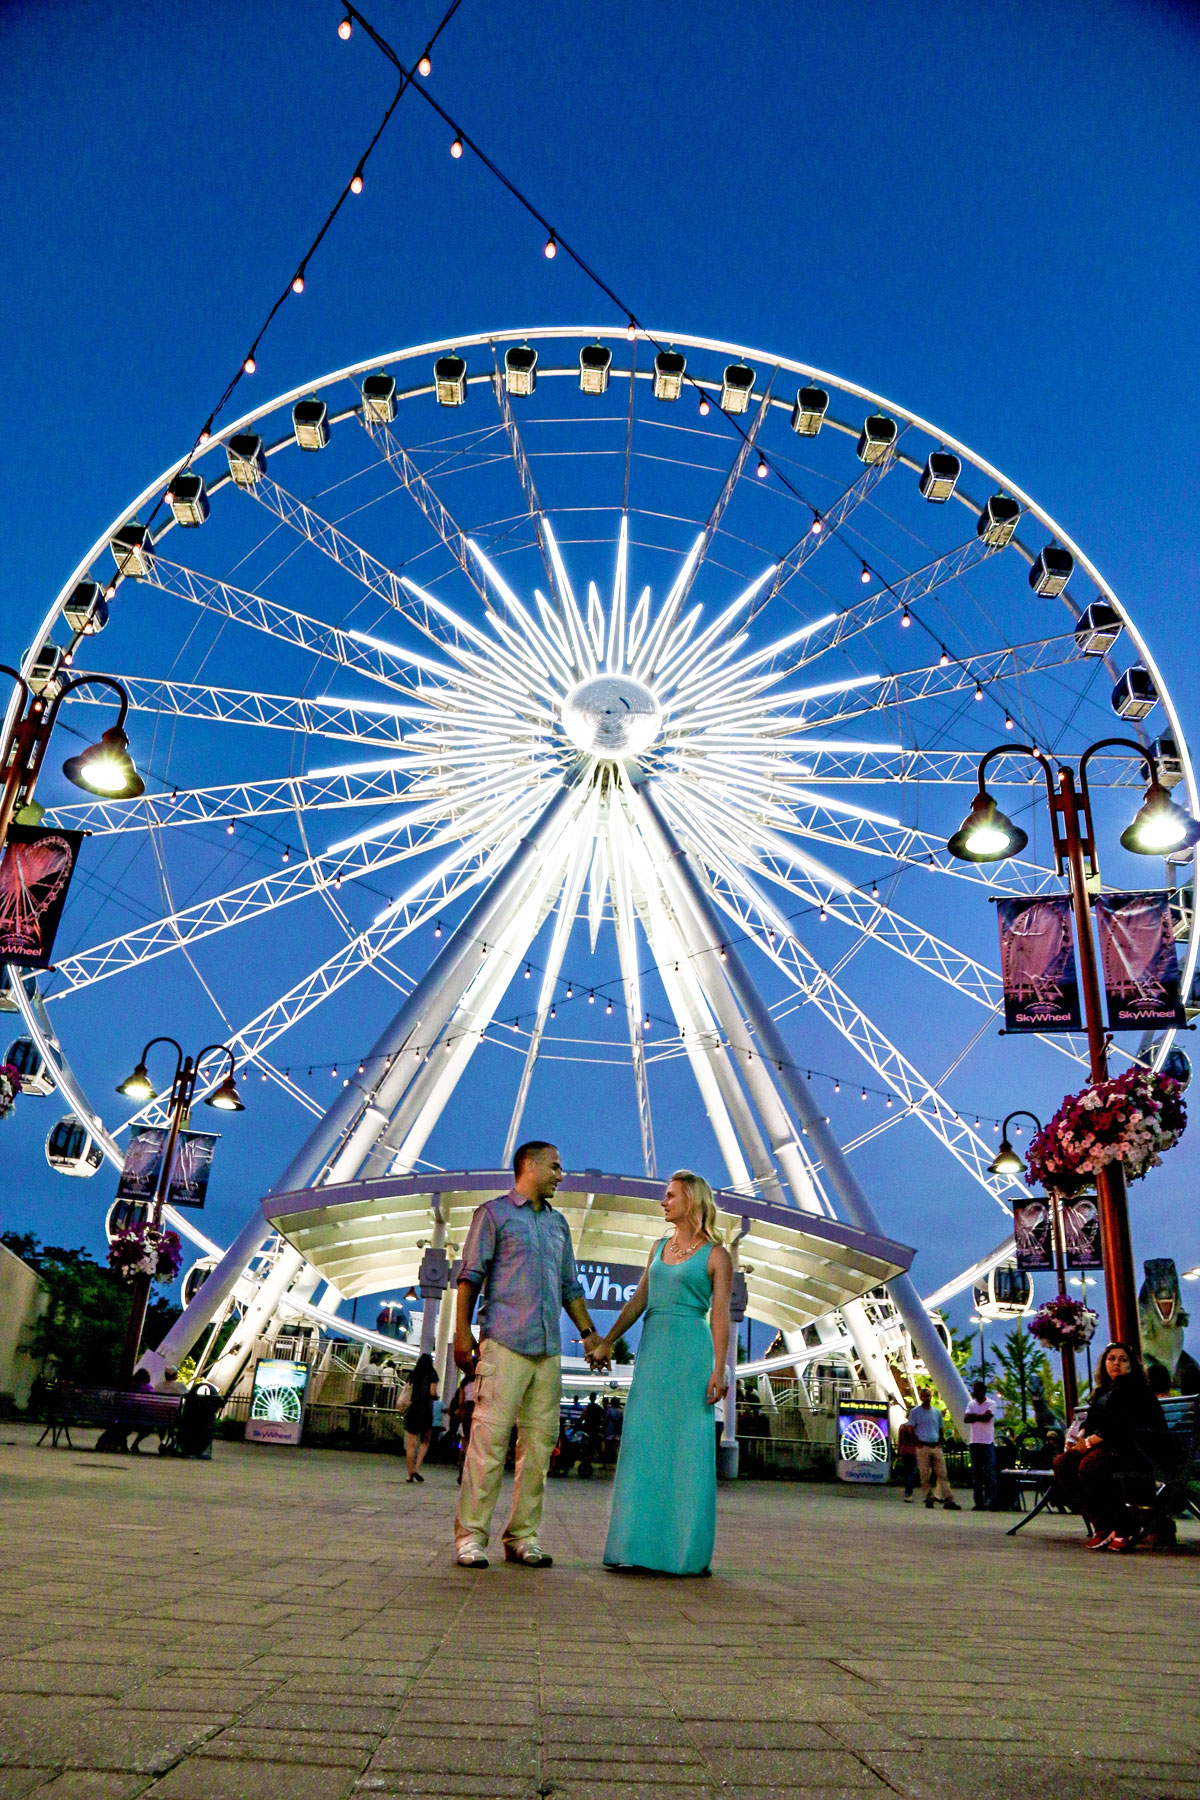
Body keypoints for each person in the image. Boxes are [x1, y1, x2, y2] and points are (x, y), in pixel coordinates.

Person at [453, 1140, 608, 1568]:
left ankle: (522, 1536)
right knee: (488, 1443)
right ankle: (470, 1536)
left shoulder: (559, 1225)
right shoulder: (493, 1214)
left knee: (540, 1449)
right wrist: (461, 1332)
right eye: (556, 1167)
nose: (562, 1174)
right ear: (531, 1166)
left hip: (548, 1351)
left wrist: (589, 1334)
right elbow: (470, 1276)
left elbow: (570, 1287)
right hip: (504, 1343)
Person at [594, 1169, 733, 1576]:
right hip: (653, 1352)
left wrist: (718, 1370)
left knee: (686, 1451)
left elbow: (721, 1318)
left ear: (691, 1199)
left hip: (691, 1353)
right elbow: (639, 1300)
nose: (663, 1202)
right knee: (644, 1444)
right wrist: (606, 1340)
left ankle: (683, 1553)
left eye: (670, 1195)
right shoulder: (657, 1248)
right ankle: (635, 1547)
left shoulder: (716, 1255)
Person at [1050, 1341, 1168, 1551]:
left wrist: (1087, 1443)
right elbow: (1091, 1423)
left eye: (1123, 1360)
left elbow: (1120, 1426)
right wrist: (1077, 1441)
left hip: (1138, 1451)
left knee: (1091, 1465)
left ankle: (1122, 1526)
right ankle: (1103, 1525)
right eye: (1112, 1359)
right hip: (1113, 1448)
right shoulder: (1104, 1391)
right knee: (1063, 1463)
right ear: (1104, 1362)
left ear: (1132, 1365)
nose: (1117, 1364)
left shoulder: (1135, 1389)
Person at [908, 1386, 960, 1510]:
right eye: (924, 1396)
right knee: (925, 1474)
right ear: (921, 1398)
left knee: (942, 1473)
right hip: (923, 1445)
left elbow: (940, 1428)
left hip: (935, 1445)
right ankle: (928, 1497)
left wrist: (940, 1440)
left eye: (928, 1396)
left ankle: (948, 1498)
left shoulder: (936, 1412)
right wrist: (917, 1443)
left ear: (931, 1397)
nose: (926, 1399)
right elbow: (910, 1429)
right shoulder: (915, 1412)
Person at [404, 1351, 439, 1483]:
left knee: (411, 1443)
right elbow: (432, 1392)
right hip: (425, 1410)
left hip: (413, 1409)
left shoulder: (414, 1374)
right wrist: (436, 1397)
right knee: (425, 1441)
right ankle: (416, 1469)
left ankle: (409, 1474)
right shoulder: (433, 1374)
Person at [963, 1379, 997, 1511]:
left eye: (976, 1390)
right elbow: (966, 1419)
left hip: (987, 1442)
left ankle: (991, 1501)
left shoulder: (991, 1403)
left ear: (982, 1392)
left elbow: (986, 1418)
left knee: (989, 1474)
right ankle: (979, 1502)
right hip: (975, 1442)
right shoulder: (971, 1403)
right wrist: (980, 1416)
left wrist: (974, 1416)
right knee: (977, 1475)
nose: (974, 1392)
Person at [895, 1416, 920, 1501]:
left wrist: (898, 1452)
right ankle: (908, 1493)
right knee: (912, 1472)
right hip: (913, 1451)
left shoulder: (902, 1426)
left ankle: (907, 1490)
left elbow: (900, 1441)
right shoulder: (916, 1428)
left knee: (907, 1472)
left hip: (903, 1450)